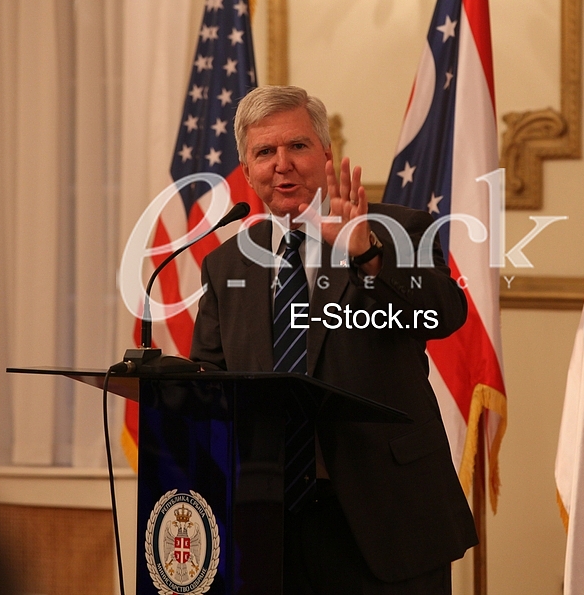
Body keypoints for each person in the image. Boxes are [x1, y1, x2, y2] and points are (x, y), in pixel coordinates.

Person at [191, 85, 478, 594]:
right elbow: (210, 382)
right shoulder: (226, 263)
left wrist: (367, 254)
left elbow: (443, 314)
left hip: (388, 520)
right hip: (270, 527)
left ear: (326, 155)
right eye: (265, 152)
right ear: (248, 171)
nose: (282, 164)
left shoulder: (396, 230)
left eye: (297, 146)